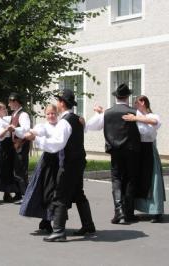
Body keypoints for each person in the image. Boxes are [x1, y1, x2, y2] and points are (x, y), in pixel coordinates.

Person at [31, 89, 95, 242]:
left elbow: (57, 144)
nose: (57, 104)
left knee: (60, 195)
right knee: (79, 194)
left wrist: (37, 140)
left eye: (59, 101)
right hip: (79, 162)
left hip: (69, 164)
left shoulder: (65, 121)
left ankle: (59, 231)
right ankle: (88, 225)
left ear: (62, 103)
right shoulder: (77, 119)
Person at [86, 84, 141, 224]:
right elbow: (146, 131)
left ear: (115, 96)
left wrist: (99, 113)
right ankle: (128, 212)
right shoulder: (134, 112)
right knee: (130, 179)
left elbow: (90, 126)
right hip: (131, 150)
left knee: (116, 179)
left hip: (115, 150)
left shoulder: (107, 113)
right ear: (128, 97)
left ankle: (119, 212)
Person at [122, 95, 166, 223]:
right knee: (139, 179)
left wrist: (135, 118)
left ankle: (156, 212)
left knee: (153, 179)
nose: (135, 104)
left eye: (136, 102)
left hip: (149, 150)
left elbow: (154, 122)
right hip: (139, 150)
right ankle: (140, 208)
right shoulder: (136, 116)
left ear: (143, 102)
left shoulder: (153, 116)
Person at [19, 104, 59, 234]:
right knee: (45, 190)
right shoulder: (44, 126)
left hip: (59, 161)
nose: (51, 116)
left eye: (53, 113)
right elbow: (38, 131)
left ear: (57, 114)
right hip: (47, 162)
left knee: (55, 192)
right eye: (48, 114)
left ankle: (47, 220)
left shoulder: (61, 125)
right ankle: (46, 220)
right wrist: (32, 133)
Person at [8, 93, 31, 201]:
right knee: (16, 171)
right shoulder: (14, 114)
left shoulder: (23, 115)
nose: (8, 104)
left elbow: (26, 129)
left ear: (15, 102)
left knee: (21, 170)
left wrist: (15, 129)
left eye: (10, 102)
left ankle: (25, 195)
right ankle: (18, 193)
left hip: (21, 145)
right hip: (15, 145)